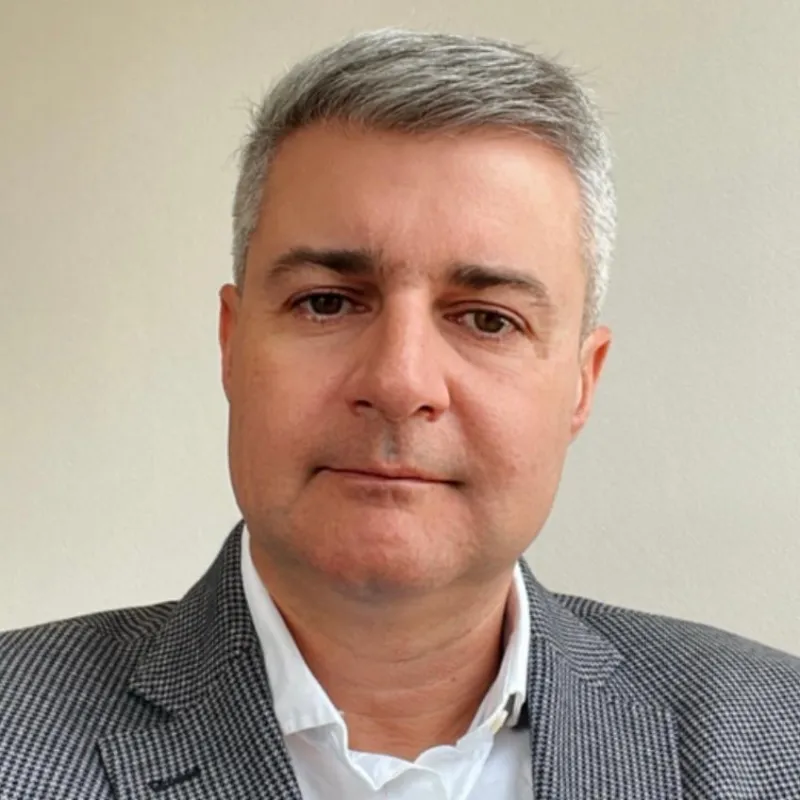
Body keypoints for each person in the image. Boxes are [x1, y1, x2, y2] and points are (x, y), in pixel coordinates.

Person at [1, 28, 798, 800]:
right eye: (326, 302)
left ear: (582, 383)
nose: (398, 380)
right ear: (232, 344)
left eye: (488, 318)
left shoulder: (775, 739)